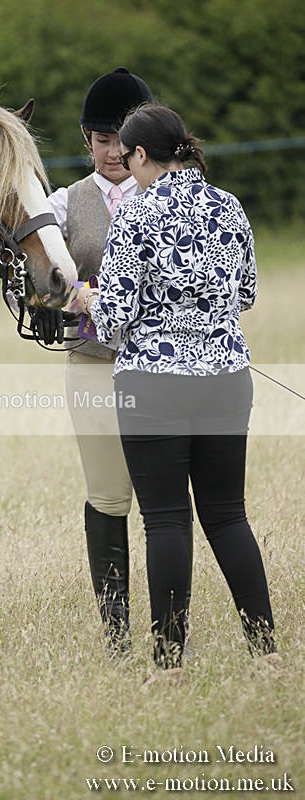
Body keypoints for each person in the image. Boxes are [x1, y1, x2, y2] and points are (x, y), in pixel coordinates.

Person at [77, 103, 278, 674]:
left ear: (142, 155)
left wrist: (88, 300)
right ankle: (267, 655)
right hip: (225, 381)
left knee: (166, 521)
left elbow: (113, 318)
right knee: (228, 516)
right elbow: (246, 294)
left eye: (129, 156)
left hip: (153, 384)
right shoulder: (229, 206)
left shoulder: (137, 214)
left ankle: (169, 667)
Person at [43, 68, 193, 656]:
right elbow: (45, 292)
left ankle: (170, 632)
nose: (111, 152)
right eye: (99, 139)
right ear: (86, 140)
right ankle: (115, 634)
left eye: (119, 140)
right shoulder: (63, 204)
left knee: (165, 501)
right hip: (94, 367)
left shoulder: (174, 200)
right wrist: (73, 309)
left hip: (164, 367)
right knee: (108, 495)